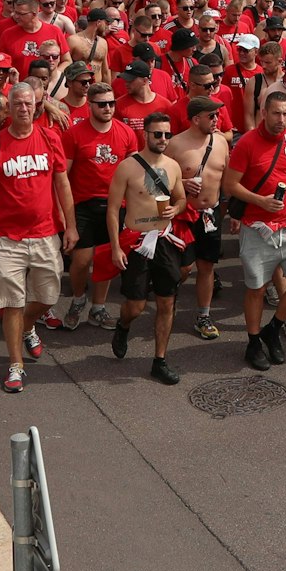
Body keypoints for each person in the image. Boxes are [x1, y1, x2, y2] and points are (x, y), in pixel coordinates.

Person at [0, 80, 76, 394]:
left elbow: (63, 186)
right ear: (9, 108)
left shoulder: (49, 137)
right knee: (12, 302)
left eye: (30, 104)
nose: (25, 109)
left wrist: (70, 226)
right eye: (18, 104)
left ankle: (28, 327)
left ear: (36, 106)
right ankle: (15, 364)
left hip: (45, 233)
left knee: (48, 296)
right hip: (6, 238)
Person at [224, 90, 286, 371]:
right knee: (257, 289)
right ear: (263, 113)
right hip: (257, 228)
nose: (281, 119)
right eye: (276, 113)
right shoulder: (247, 143)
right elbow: (231, 185)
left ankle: (272, 329)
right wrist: (260, 200)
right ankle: (253, 342)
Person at [104, 113, 187, 384]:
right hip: (137, 242)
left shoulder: (173, 167)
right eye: (157, 134)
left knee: (166, 302)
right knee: (136, 306)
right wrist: (116, 247)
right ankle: (123, 325)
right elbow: (113, 209)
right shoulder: (127, 167)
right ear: (146, 135)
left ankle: (159, 360)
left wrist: (178, 207)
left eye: (167, 134)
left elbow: (182, 198)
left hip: (164, 240)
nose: (163, 139)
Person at [60, 83, 141, 332]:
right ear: (90, 106)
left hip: (116, 206)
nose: (108, 108)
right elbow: (63, 176)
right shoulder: (74, 134)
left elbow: (133, 173)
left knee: (106, 260)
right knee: (82, 260)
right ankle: (77, 299)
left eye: (111, 103)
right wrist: (65, 218)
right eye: (102, 104)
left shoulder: (126, 133)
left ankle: (98, 307)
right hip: (83, 203)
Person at [163, 96, 231, 340]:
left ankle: (203, 315)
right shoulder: (175, 145)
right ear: (195, 119)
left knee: (207, 266)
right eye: (211, 116)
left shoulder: (221, 142)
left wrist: (231, 210)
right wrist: (182, 183)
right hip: (183, 216)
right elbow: (159, 181)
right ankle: (167, 302)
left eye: (217, 115)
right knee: (183, 268)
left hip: (211, 215)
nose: (217, 120)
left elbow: (227, 179)